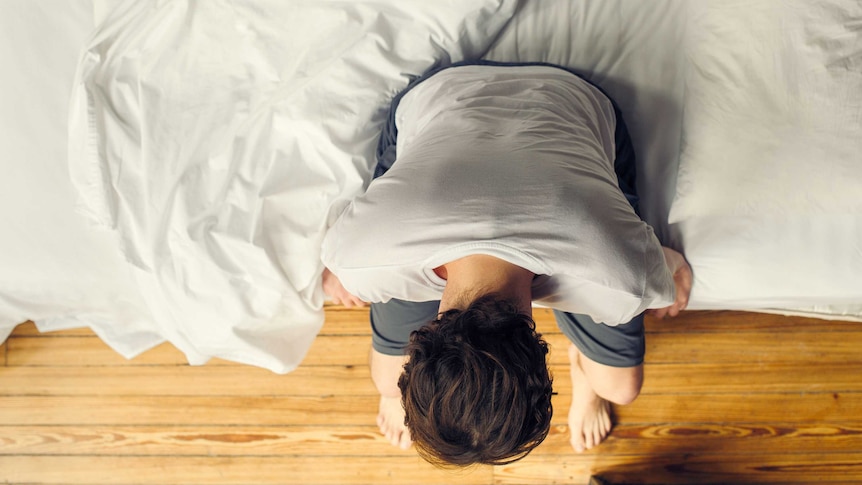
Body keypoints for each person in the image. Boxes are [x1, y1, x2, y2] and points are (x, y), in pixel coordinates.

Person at [320, 61, 692, 466]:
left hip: (570, 99)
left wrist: (670, 270)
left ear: (540, 349)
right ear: (421, 340)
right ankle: (401, 392)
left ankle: (582, 369)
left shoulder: (621, 281)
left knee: (621, 388)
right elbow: (342, 252)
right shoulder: (362, 262)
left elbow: (669, 272)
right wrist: (341, 274)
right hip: (464, 95)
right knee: (386, 382)